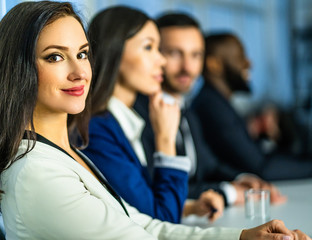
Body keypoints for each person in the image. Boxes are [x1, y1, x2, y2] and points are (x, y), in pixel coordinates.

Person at [0, 1, 310, 239]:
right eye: (55, 57)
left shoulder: (65, 154)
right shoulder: (38, 173)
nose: (80, 72)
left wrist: (243, 236)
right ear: (18, 72)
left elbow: (140, 224)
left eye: (82, 54)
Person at [81, 6, 224, 223]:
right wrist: (165, 139)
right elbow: (160, 219)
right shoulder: (96, 131)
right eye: (149, 48)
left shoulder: (119, 121)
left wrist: (189, 208)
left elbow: (141, 205)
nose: (162, 61)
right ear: (115, 51)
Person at [134, 13, 285, 207]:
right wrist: (229, 192)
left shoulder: (187, 111)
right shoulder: (138, 115)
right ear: (155, 55)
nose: (187, 67)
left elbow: (209, 167)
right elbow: (160, 186)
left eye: (195, 55)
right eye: (174, 53)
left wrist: (242, 180)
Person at [193, 32, 312, 180]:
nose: (249, 63)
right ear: (214, 65)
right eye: (239, 57)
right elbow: (259, 168)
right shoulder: (211, 107)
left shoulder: (218, 103)